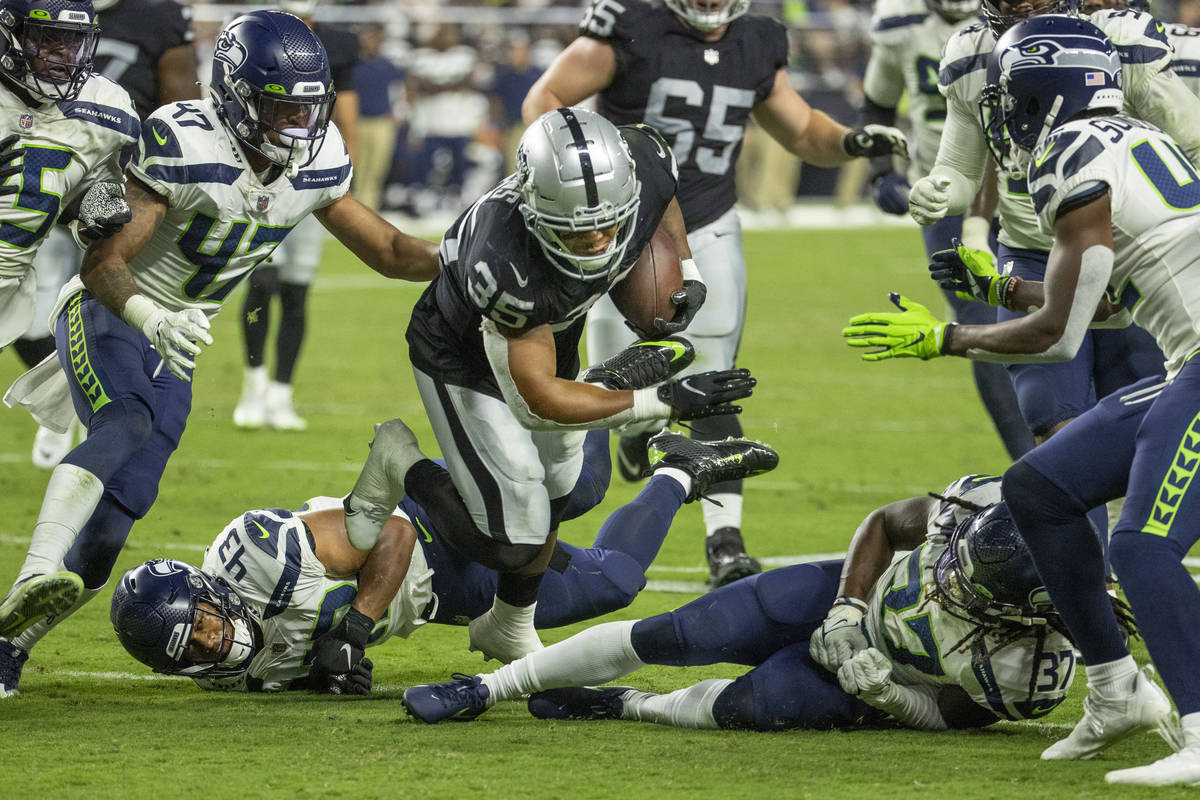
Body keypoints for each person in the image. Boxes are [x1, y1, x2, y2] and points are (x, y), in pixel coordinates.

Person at [0, 9, 440, 697]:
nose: (297, 125)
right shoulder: (182, 142)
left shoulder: (316, 162)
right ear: (234, 96)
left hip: (182, 338)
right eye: (279, 106)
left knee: (124, 510)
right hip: (115, 312)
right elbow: (102, 263)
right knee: (127, 422)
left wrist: (466, 258)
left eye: (307, 108)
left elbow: (388, 250)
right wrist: (148, 314)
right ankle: (36, 570)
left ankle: (9, 644)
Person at [843, 15, 1200, 784]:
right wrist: (1003, 286)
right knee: (1039, 488)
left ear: (1039, 91)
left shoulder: (1069, 156)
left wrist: (948, 339)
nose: (998, 109)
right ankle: (1114, 692)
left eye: (1008, 94)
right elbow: (1103, 302)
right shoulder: (1134, 138)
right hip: (1185, 360)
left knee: (1140, 546)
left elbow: (1060, 336)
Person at [522, 0, 909, 589]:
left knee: (717, 380)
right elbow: (545, 101)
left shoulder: (756, 40)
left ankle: (725, 543)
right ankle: (614, 455)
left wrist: (855, 144)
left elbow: (803, 130)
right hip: (618, 226)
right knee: (604, 377)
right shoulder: (631, 24)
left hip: (707, 225)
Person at [395, 104, 770, 666]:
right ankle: (400, 461)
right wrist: (657, 402)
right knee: (525, 539)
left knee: (577, 493)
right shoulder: (507, 255)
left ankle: (512, 616)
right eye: (577, 230)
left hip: (550, 329)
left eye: (609, 223)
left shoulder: (642, 165)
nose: (598, 239)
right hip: (462, 352)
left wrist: (686, 267)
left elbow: (661, 192)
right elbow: (540, 399)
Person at [107, 418, 779, 693]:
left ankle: (600, 398)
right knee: (615, 584)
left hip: (432, 530)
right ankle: (679, 472)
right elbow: (298, 662)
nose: (209, 641)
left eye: (197, 622)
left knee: (580, 491)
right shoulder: (218, 674)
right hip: (446, 596)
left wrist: (358, 627)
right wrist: (329, 676)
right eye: (189, 649)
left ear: (206, 591)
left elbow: (390, 531)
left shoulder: (260, 557)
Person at [401, 474, 1099, 733]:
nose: (954, 573)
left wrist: (890, 698)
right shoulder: (988, 508)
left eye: (974, 580)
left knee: (748, 708)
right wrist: (849, 609)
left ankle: (627, 705)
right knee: (681, 630)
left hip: (873, 683)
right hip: (843, 599)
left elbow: (952, 716)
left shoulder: (1032, 667)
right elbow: (887, 523)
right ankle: (487, 687)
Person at [905, 0, 1182, 548]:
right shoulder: (971, 53)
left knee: (1157, 414)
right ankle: (1091, 581)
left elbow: (1189, 136)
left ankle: (1150, 546)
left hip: (1133, 245)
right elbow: (962, 165)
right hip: (1032, 247)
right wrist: (943, 187)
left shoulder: (1119, 37)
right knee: (1056, 429)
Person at [21, 0, 200, 469]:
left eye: (73, 40)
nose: (64, 53)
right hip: (25, 212)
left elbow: (176, 99)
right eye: (50, 39)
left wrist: (103, 204)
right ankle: (67, 401)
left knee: (80, 302)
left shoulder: (111, 102)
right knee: (34, 314)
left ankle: (85, 405)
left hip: (99, 191)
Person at [863, 0, 1034, 462]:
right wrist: (883, 170)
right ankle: (1029, 461)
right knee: (977, 313)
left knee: (1062, 310)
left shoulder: (1027, 16)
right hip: (947, 184)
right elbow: (877, 99)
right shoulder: (901, 22)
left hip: (1031, 185)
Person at [231, 0, 362, 431]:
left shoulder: (329, 48)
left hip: (310, 175)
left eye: (305, 18)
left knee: (296, 292)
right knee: (262, 283)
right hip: (266, 181)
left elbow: (346, 111)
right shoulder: (251, 42)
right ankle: (253, 386)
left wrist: (349, 170)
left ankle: (281, 393)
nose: (300, 25)